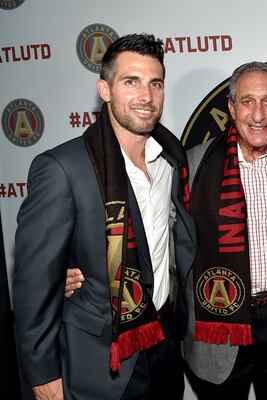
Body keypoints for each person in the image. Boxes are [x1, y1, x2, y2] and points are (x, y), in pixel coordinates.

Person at [13, 33, 196, 400]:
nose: (146, 96)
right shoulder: (62, 168)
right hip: (98, 363)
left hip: (163, 350)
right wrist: (42, 375)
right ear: (105, 89)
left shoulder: (172, 162)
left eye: (155, 83)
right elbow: (33, 286)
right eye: (131, 82)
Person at [182, 61, 267, 399]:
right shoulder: (192, 165)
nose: (258, 114)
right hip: (217, 327)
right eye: (247, 101)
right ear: (231, 107)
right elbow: (161, 240)